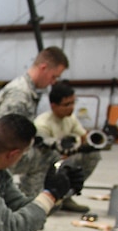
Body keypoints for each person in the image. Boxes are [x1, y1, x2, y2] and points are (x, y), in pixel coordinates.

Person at [18, 81, 101, 213]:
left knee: (93, 155)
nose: (71, 107)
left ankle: (66, 195)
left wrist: (85, 144)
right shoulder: (42, 124)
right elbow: (41, 155)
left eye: (73, 103)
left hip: (62, 162)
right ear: (53, 106)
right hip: (46, 168)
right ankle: (47, 196)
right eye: (67, 104)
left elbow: (84, 138)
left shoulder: (70, 119)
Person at [0, 46, 70, 138]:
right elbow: (5, 138)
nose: (53, 82)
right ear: (43, 68)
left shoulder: (28, 92)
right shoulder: (19, 94)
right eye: (53, 76)